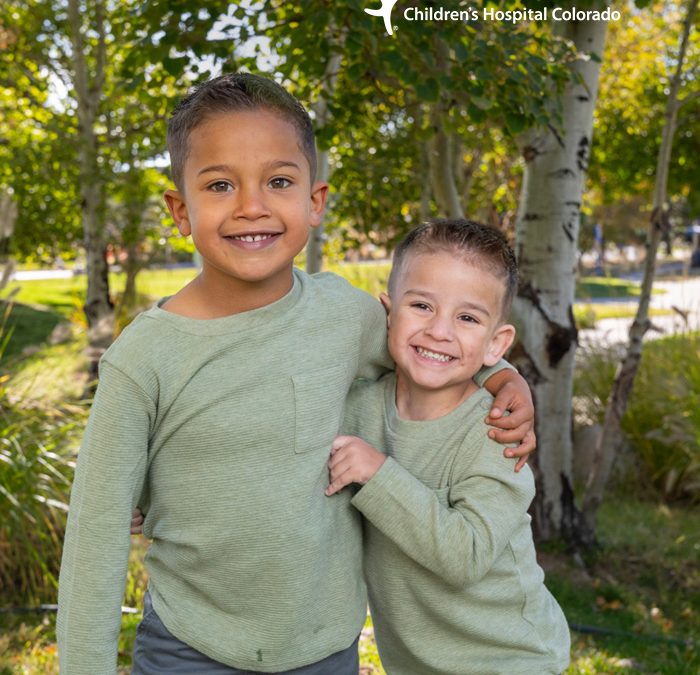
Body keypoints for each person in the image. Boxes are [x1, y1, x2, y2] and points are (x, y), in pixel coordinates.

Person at [57, 74, 534, 674]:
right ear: (180, 209)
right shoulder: (142, 358)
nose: (252, 206)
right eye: (221, 184)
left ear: (315, 202)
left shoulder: (347, 315)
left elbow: (436, 347)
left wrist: (502, 378)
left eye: (279, 182)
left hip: (323, 647)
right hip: (189, 646)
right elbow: (95, 541)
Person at [326, 219, 570, 674]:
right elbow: (286, 447)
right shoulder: (357, 409)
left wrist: (377, 473)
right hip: (414, 663)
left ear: (496, 343)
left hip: (508, 660)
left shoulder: (497, 431)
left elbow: (466, 555)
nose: (440, 331)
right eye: (421, 305)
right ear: (388, 313)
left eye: (467, 318)